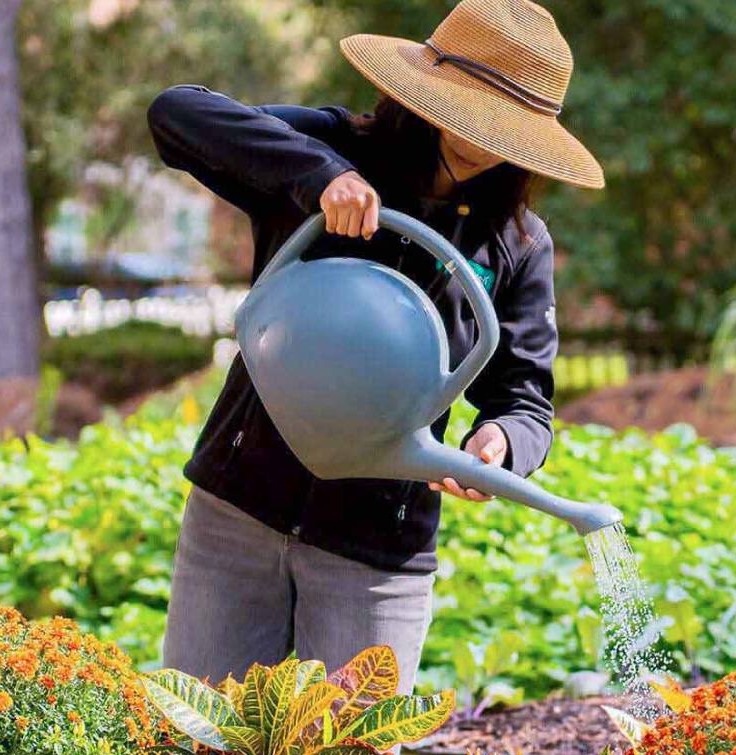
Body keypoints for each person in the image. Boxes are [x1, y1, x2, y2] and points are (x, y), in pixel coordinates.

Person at [147, 0, 602, 691]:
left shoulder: (518, 243)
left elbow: (525, 400)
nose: (479, 140)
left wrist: (502, 441)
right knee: (204, 754)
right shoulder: (336, 147)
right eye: (465, 108)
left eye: (501, 126)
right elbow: (178, 112)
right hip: (237, 508)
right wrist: (316, 177)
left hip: (377, 549)